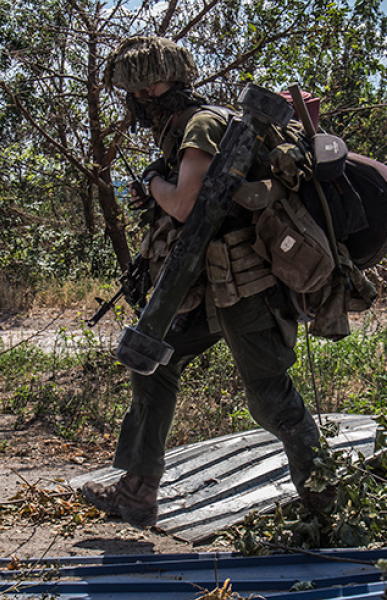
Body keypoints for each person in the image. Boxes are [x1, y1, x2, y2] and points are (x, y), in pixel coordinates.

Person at [81, 36, 326, 529]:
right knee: (152, 364)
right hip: (208, 283)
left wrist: (153, 183)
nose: (136, 102)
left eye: (139, 91)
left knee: (269, 397)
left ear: (148, 89)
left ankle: (325, 506)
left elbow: (186, 204)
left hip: (246, 283)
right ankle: (137, 491)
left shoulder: (201, 124)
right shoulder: (182, 127)